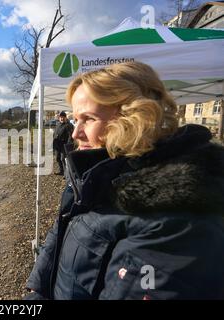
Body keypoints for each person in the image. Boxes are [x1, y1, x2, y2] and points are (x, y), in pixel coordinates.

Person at [25, 61, 224, 300]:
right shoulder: (96, 173)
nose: (76, 133)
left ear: (136, 117)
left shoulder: (175, 219)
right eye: (75, 119)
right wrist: (37, 291)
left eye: (88, 118)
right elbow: (61, 232)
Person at [53, 111, 74, 176]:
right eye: (60, 117)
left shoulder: (68, 125)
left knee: (63, 159)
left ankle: (66, 174)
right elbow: (55, 133)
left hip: (64, 145)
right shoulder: (58, 124)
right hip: (57, 145)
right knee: (58, 158)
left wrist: (68, 145)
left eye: (63, 117)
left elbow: (70, 136)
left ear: (65, 118)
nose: (62, 119)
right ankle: (61, 171)